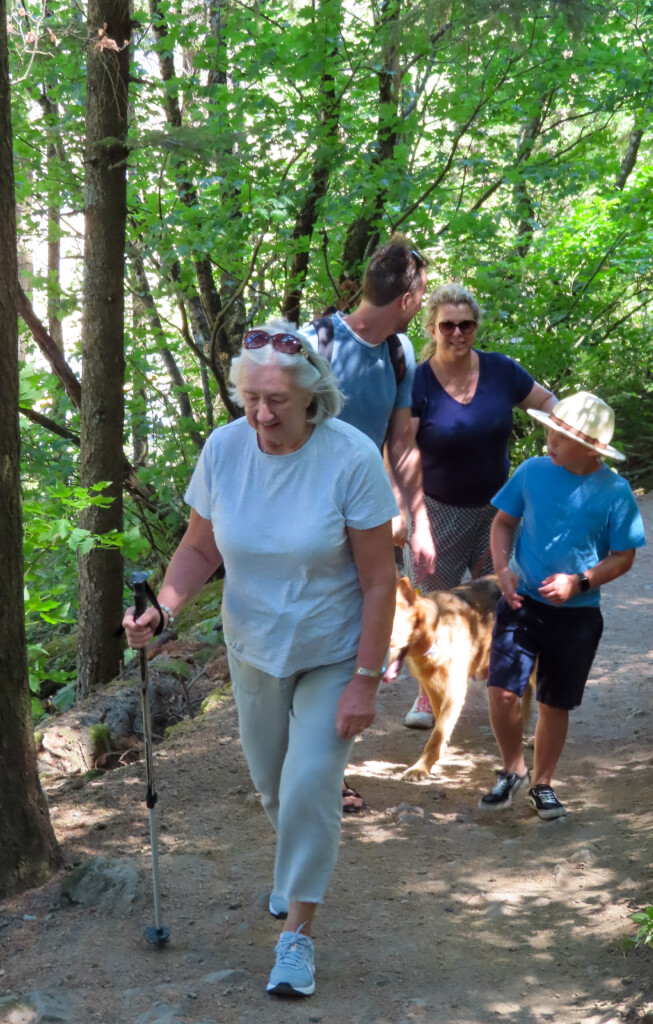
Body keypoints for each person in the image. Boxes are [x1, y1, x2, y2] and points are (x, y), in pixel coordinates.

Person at [122, 322, 398, 998]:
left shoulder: (351, 458)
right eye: (250, 398)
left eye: (276, 400)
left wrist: (366, 680)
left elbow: (378, 580)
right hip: (253, 648)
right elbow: (198, 549)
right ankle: (294, 865)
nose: (262, 415)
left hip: (331, 652)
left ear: (312, 396)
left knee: (308, 784)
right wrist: (164, 609)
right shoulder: (223, 450)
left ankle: (297, 936)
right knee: (275, 789)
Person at [302, 236, 437, 806]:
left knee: (351, 642)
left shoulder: (400, 351)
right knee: (308, 638)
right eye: (422, 293)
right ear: (407, 298)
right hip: (304, 522)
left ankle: (324, 771)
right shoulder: (315, 343)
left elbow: (401, 443)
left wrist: (420, 519)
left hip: (363, 523)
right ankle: (301, 765)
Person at [478, 391, 646, 820]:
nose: (549, 438)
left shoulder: (615, 491)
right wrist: (502, 569)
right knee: (501, 693)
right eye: (549, 429)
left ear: (591, 447)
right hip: (521, 603)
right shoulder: (532, 472)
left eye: (561, 434)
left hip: (577, 617)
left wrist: (580, 581)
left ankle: (542, 784)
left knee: (554, 703)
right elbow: (503, 522)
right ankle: (512, 768)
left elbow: (624, 556)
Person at [401, 283, 557, 729]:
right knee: (434, 606)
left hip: (498, 510)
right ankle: (429, 697)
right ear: (431, 328)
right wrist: (417, 520)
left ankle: (505, 689)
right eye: (447, 325)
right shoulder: (417, 381)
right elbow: (404, 450)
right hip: (437, 509)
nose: (457, 332)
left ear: (475, 326)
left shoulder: (501, 371)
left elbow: (547, 403)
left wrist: (568, 439)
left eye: (465, 324)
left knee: (505, 600)